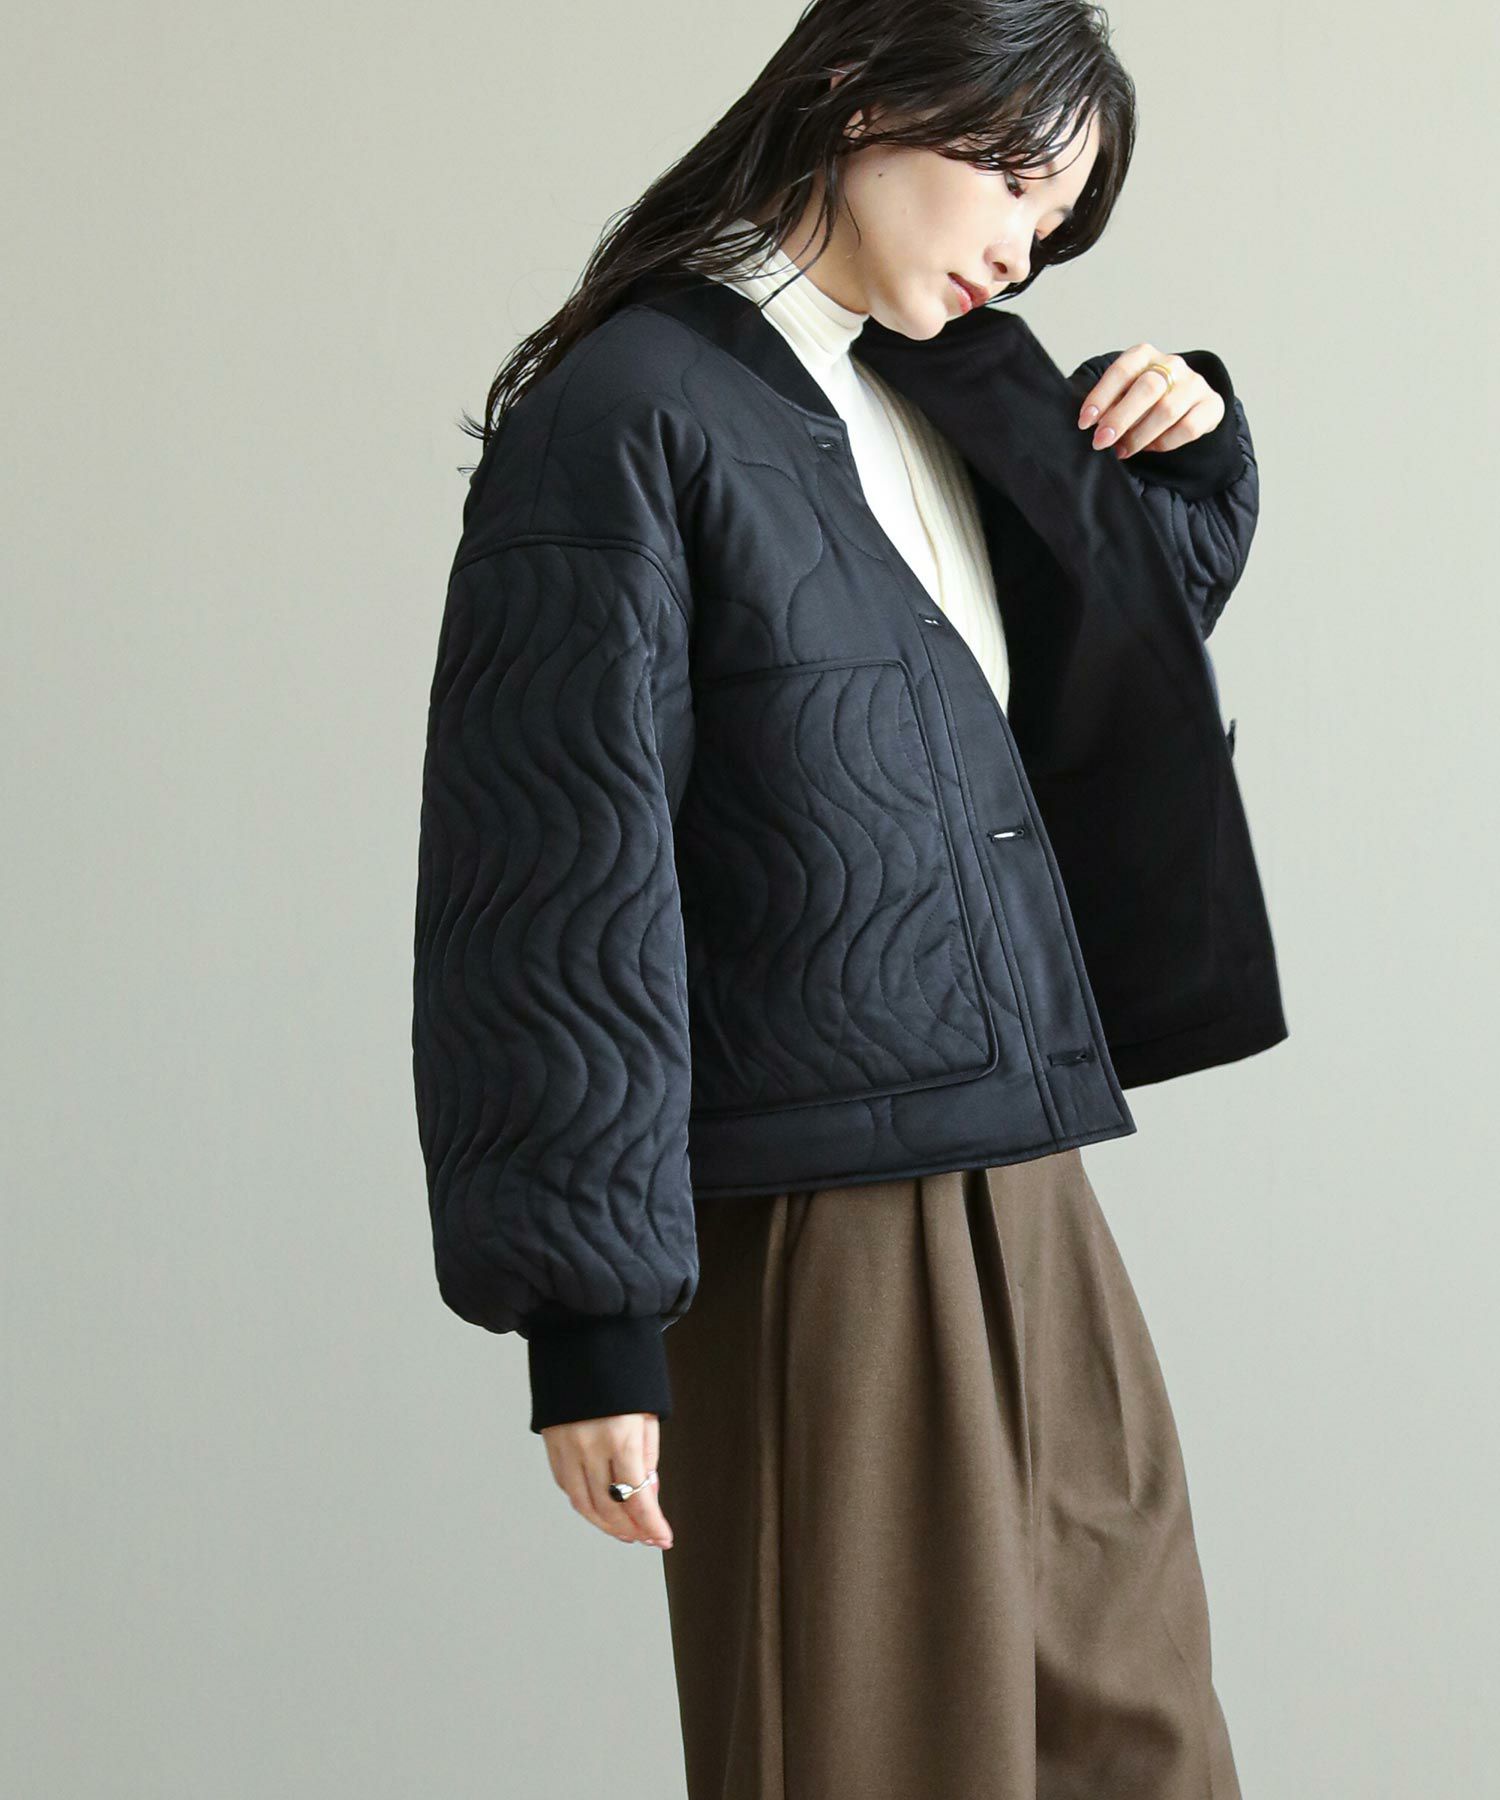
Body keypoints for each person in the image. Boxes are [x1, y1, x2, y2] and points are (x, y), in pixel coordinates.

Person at [411, 0, 1285, 1792]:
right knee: (882, 1756)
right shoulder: (629, 415)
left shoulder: (939, 388)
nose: (1025, 251)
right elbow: (555, 876)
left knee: (1142, 1748)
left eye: (1061, 223)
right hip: (820, 1224)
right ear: (866, 94)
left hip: (1026, 1173)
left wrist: (1190, 454)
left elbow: (1071, 678)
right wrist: (590, 1319)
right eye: (1018, 187)